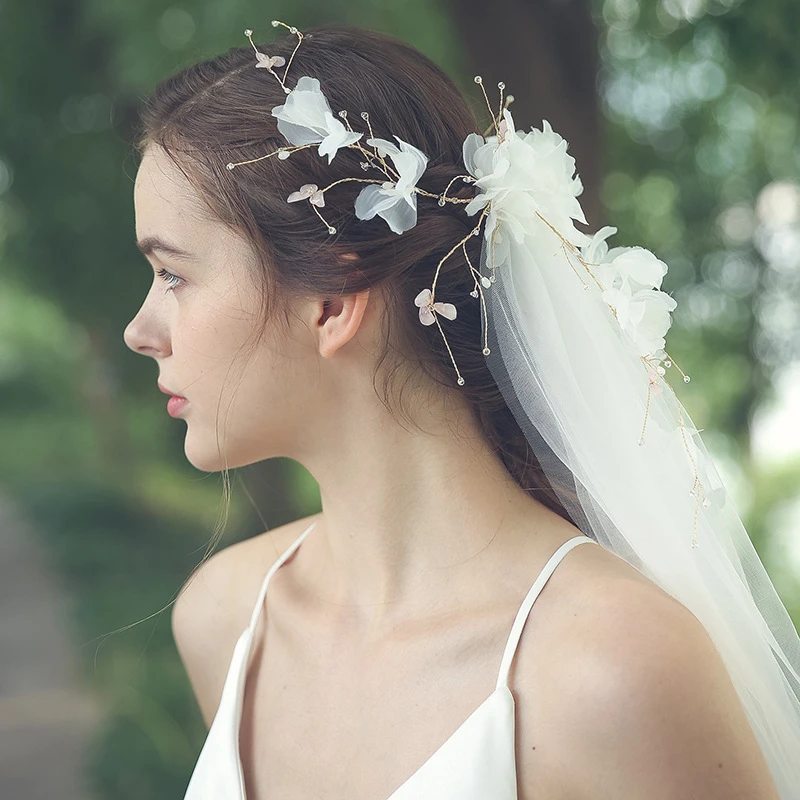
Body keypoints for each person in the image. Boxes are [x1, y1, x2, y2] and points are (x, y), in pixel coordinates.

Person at [123, 22, 788, 799]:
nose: (140, 331)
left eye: (172, 275)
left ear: (333, 302)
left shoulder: (610, 669)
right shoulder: (225, 619)